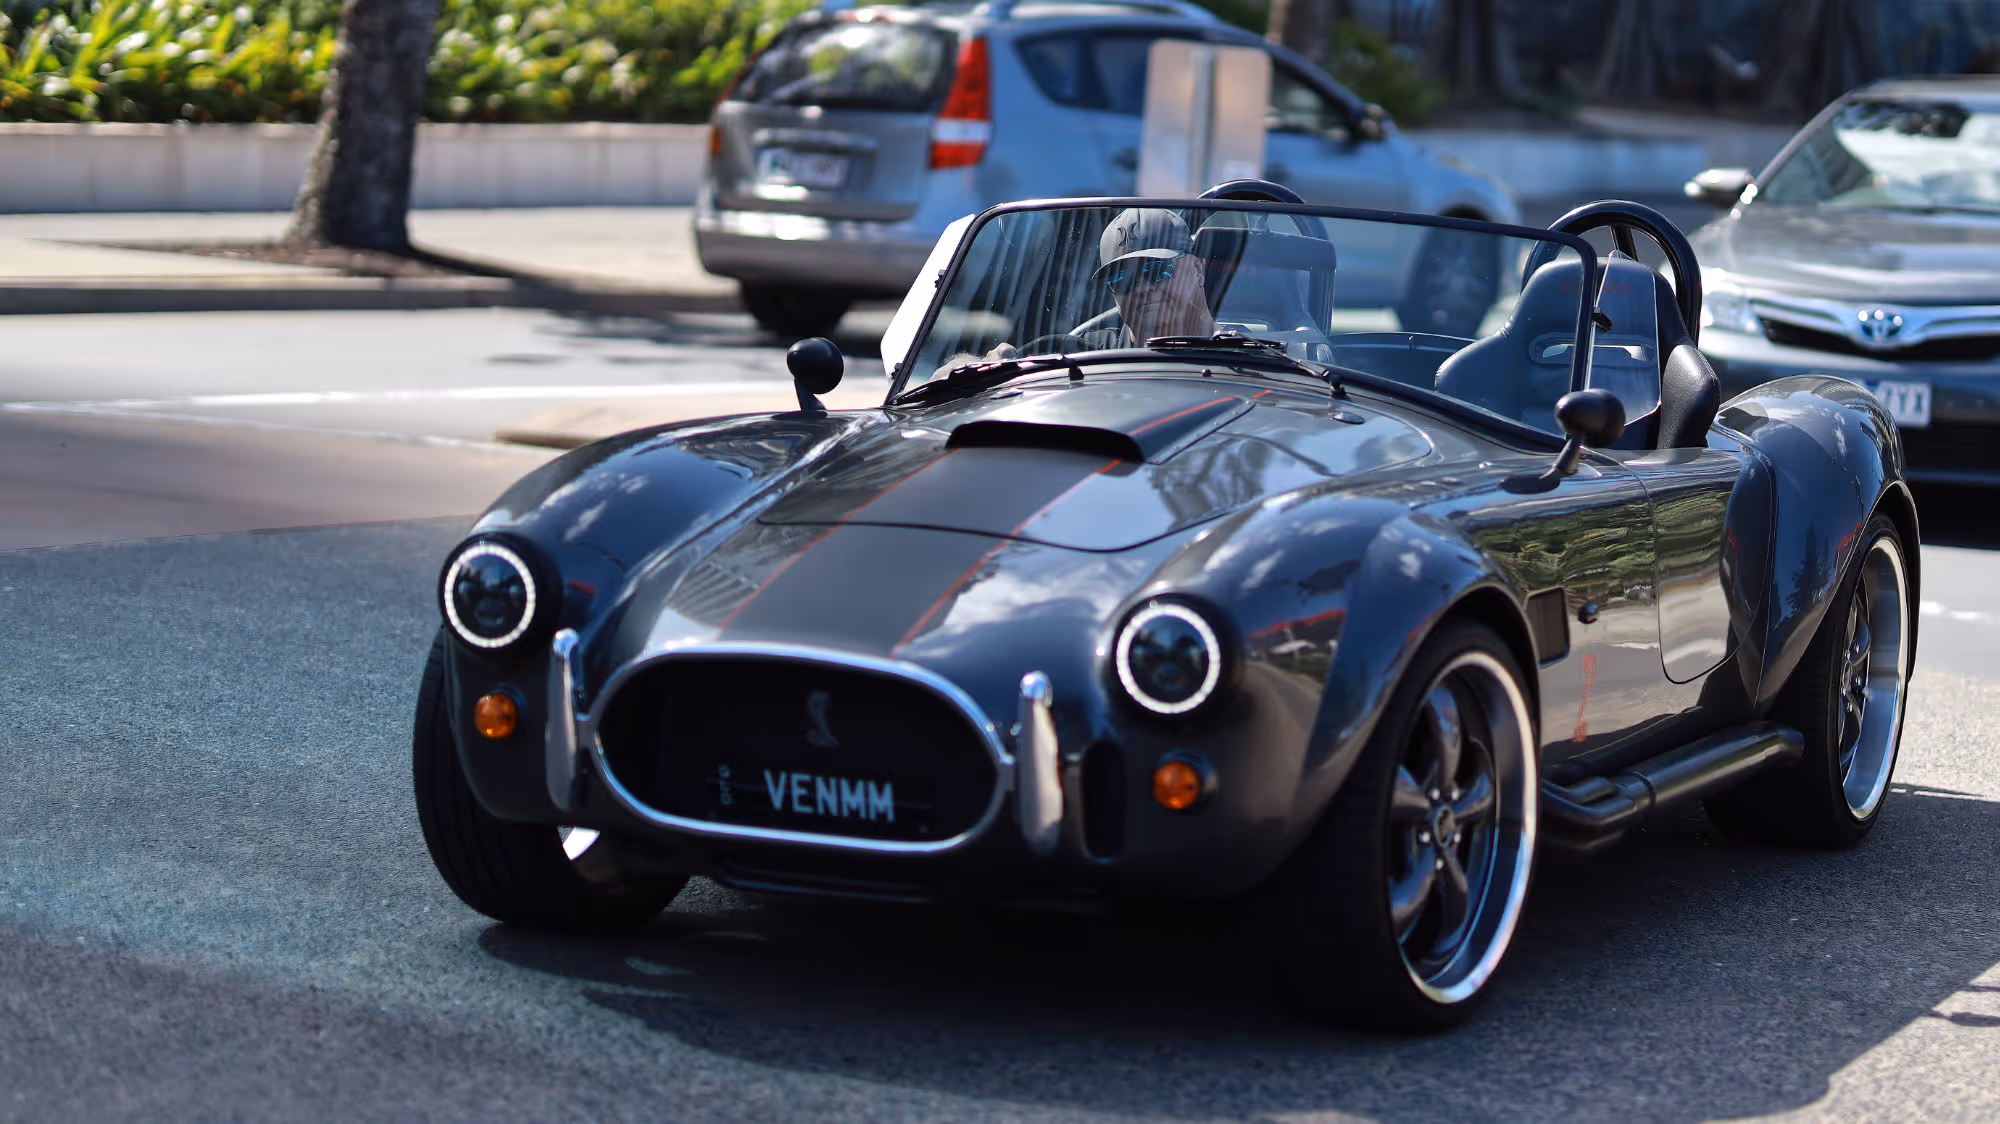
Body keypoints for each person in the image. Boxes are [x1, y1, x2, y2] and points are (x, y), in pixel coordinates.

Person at [1094, 208, 1215, 343]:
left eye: (1156, 269)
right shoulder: (1088, 355)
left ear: (1198, 270)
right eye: (1121, 279)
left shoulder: (1238, 356)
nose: (1142, 289)